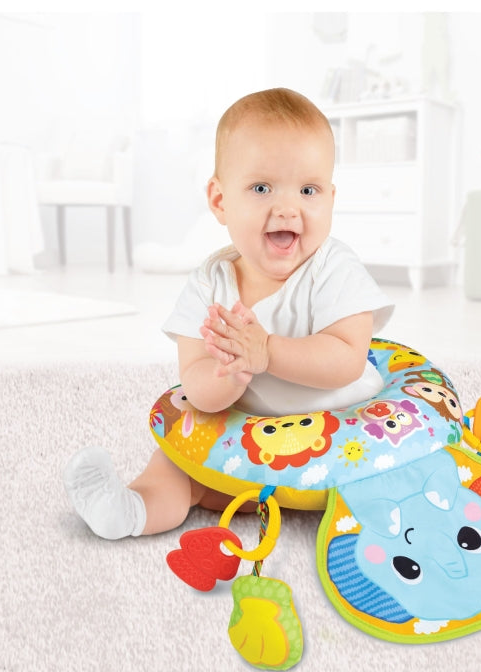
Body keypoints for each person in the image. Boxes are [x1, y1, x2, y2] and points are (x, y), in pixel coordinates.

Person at [63, 88, 394, 540]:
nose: (287, 208)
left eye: (308, 190)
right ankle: (130, 510)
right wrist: (232, 374)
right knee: (176, 465)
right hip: (251, 447)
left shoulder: (334, 268)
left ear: (330, 199)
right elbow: (195, 382)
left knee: (394, 477)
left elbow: (348, 359)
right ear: (220, 201)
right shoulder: (209, 284)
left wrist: (267, 352)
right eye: (261, 188)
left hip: (341, 441)